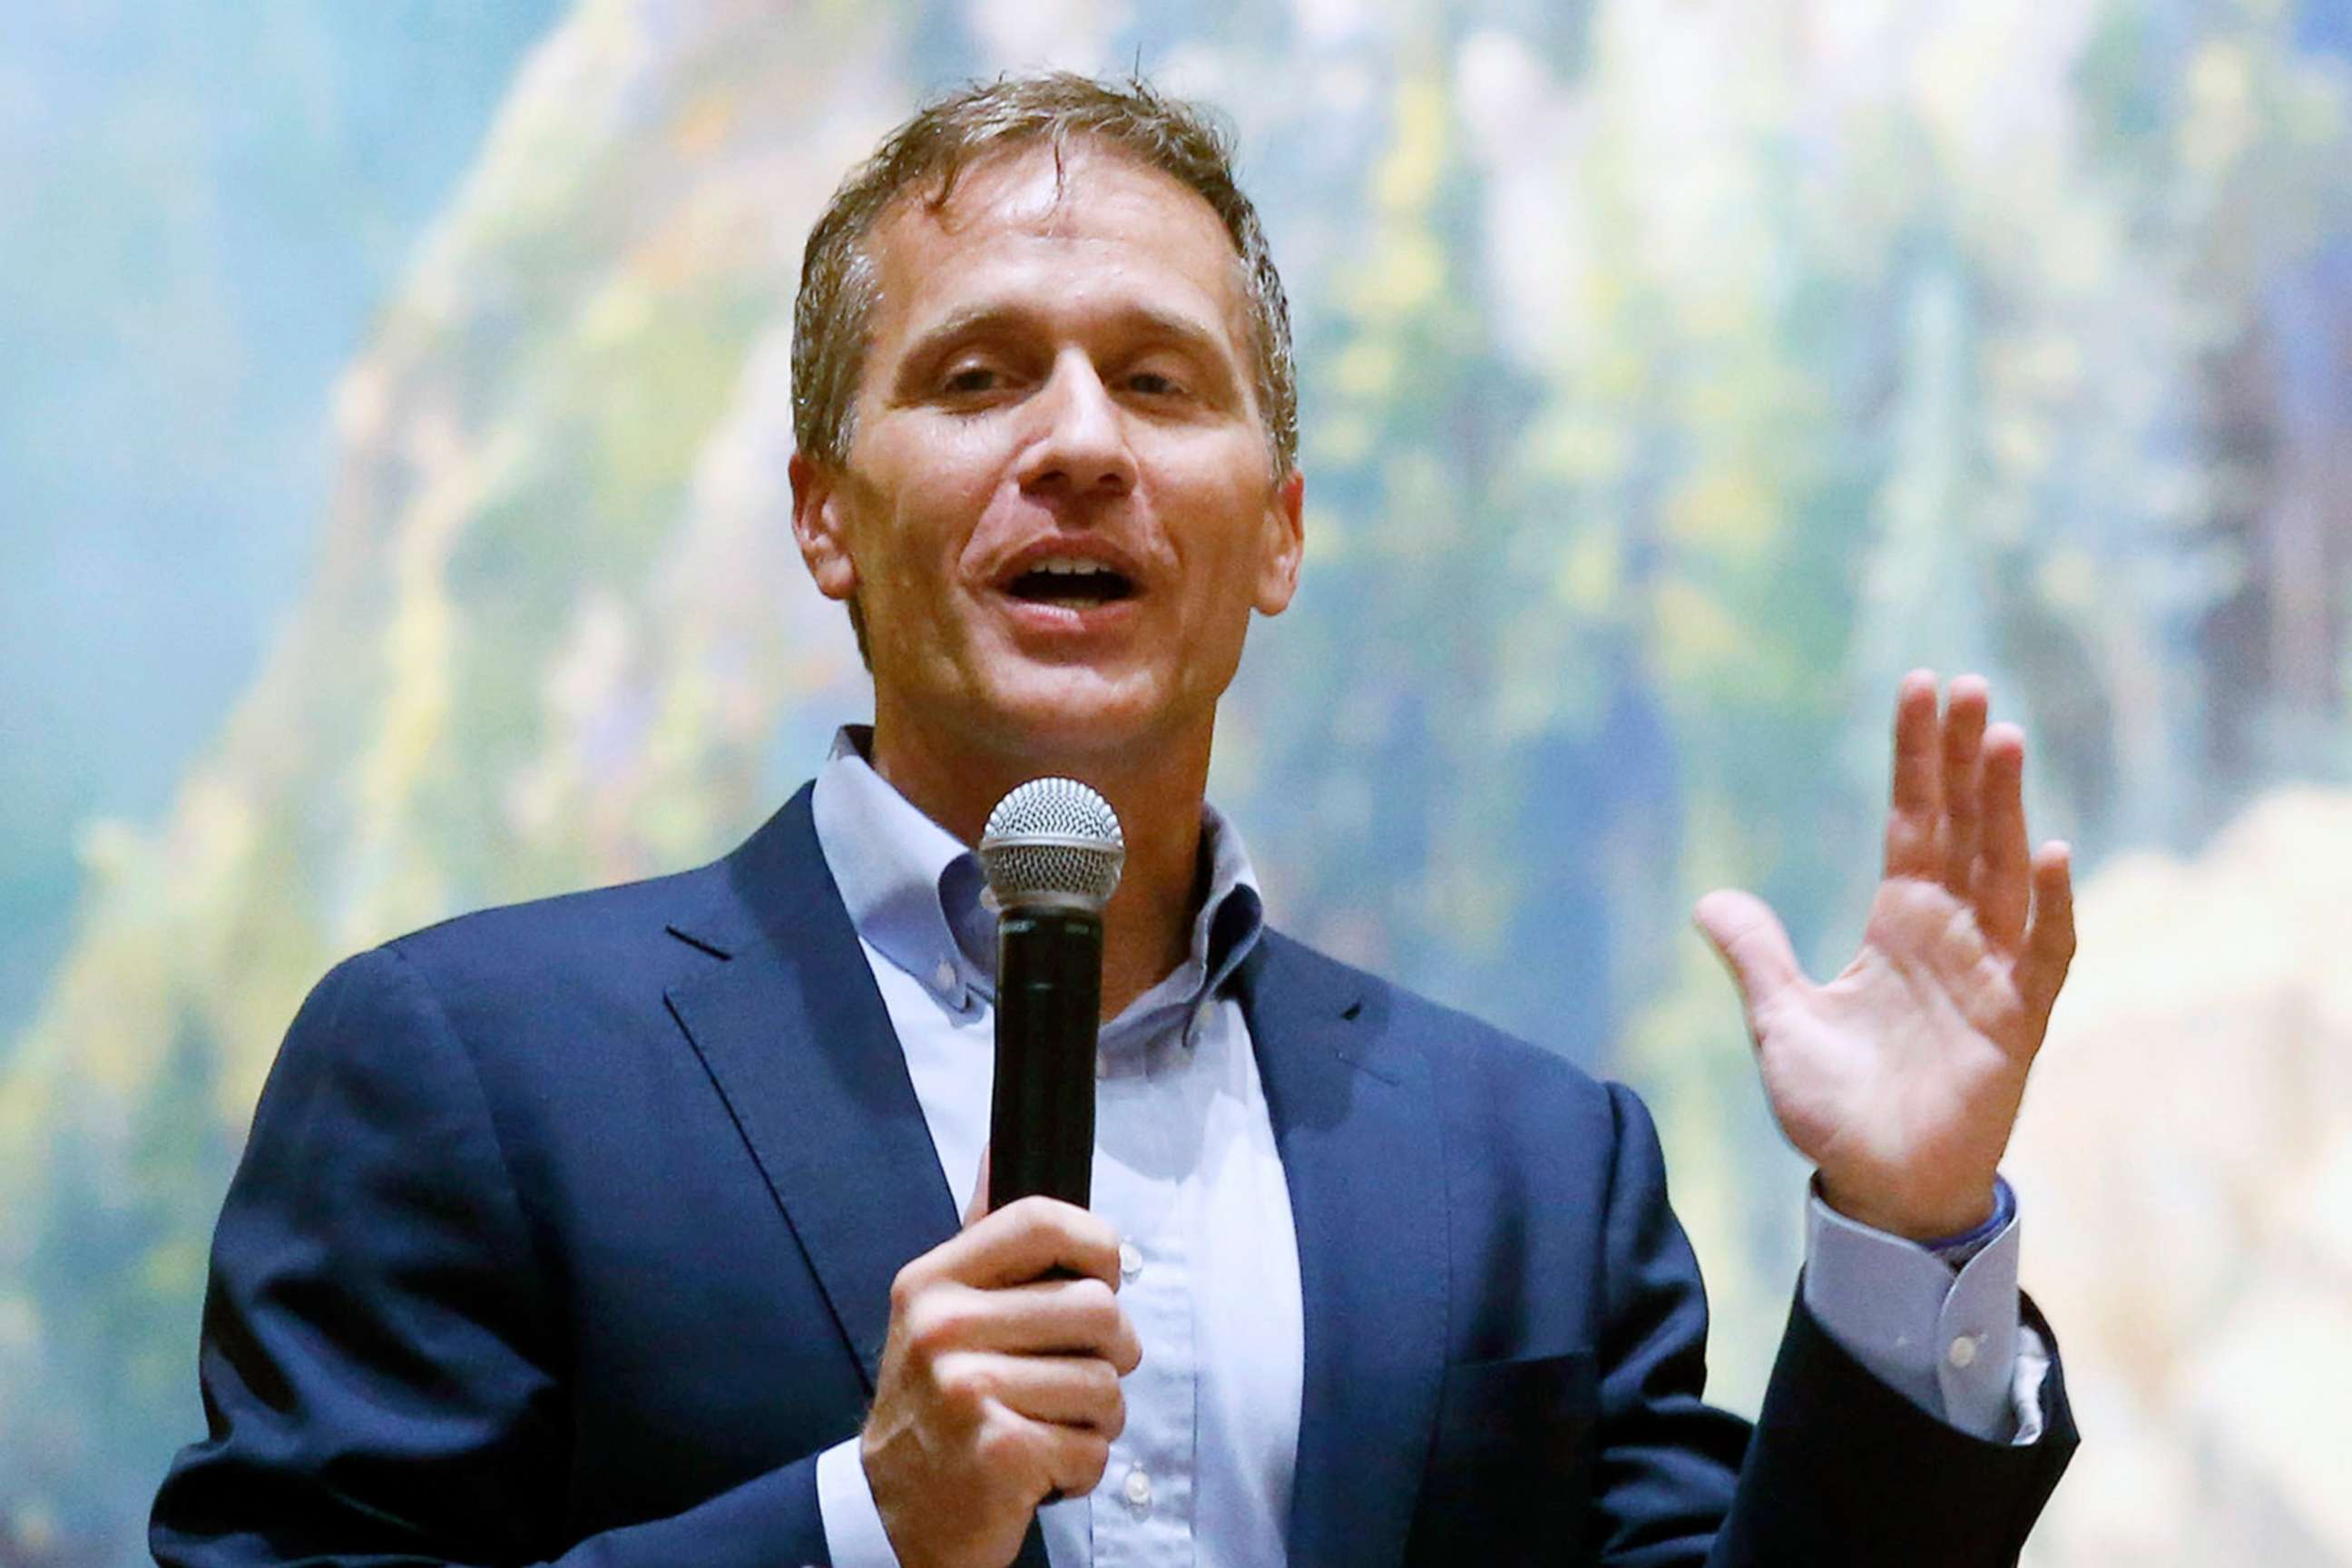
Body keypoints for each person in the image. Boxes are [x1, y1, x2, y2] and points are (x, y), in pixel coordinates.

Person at [152, 74, 2079, 1567]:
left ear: (1283, 531)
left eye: (1160, 383)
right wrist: (865, 1525)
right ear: (825, 511)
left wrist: (1910, 1241)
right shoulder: (470, 1066)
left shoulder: (1528, 1165)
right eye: (978, 376)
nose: (1077, 444)